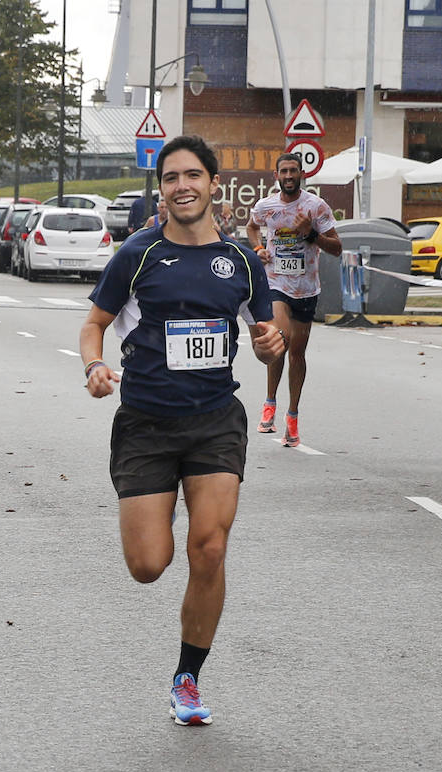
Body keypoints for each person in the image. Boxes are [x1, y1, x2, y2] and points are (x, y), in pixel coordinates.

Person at [80, 135, 285, 727]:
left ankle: (188, 678)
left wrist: (272, 342)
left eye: (193, 175)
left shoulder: (241, 262)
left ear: (213, 183)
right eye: (171, 178)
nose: (182, 186)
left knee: (211, 548)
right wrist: (96, 366)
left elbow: (267, 337)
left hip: (214, 420)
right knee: (148, 565)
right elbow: (94, 323)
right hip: (145, 423)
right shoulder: (138, 254)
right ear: (162, 189)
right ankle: (159, 504)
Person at [246, 153, 342, 447]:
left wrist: (311, 234)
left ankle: (292, 415)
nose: (289, 176)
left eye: (294, 171)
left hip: (307, 289)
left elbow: (337, 248)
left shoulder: (316, 206)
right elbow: (251, 227)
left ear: (302, 174)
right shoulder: (266, 206)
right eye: (284, 171)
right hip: (277, 283)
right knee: (279, 339)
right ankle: (269, 403)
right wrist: (259, 247)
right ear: (276, 176)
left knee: (297, 353)